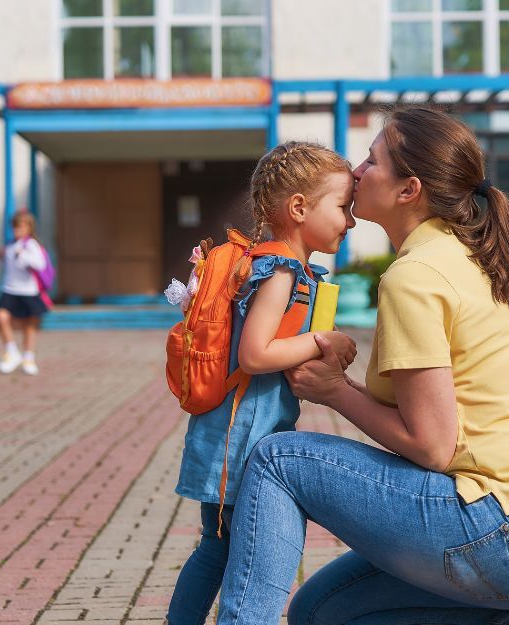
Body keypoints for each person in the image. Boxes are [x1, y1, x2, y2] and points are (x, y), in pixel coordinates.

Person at [213, 108, 509, 625]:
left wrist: (335, 391)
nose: (357, 170)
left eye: (372, 160)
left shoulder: (416, 276)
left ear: (409, 189)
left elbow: (433, 447)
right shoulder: (468, 258)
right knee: (320, 612)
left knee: (279, 460)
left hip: (503, 529)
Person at [166, 142, 359, 625]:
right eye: (343, 207)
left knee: (219, 544)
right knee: (218, 547)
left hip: (243, 435)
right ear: (299, 208)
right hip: (239, 439)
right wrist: (321, 340)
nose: (351, 221)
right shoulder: (280, 273)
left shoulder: (283, 269)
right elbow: (256, 354)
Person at [0, 211, 48, 375]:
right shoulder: (10, 244)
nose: (18, 229)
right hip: (9, 289)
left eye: (22, 226)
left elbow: (40, 265)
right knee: (1, 317)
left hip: (28, 291)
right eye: (16, 226)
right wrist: (2, 255)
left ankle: (29, 357)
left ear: (29, 228)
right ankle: (12, 352)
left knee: (29, 325)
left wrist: (23, 255)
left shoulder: (31, 244)